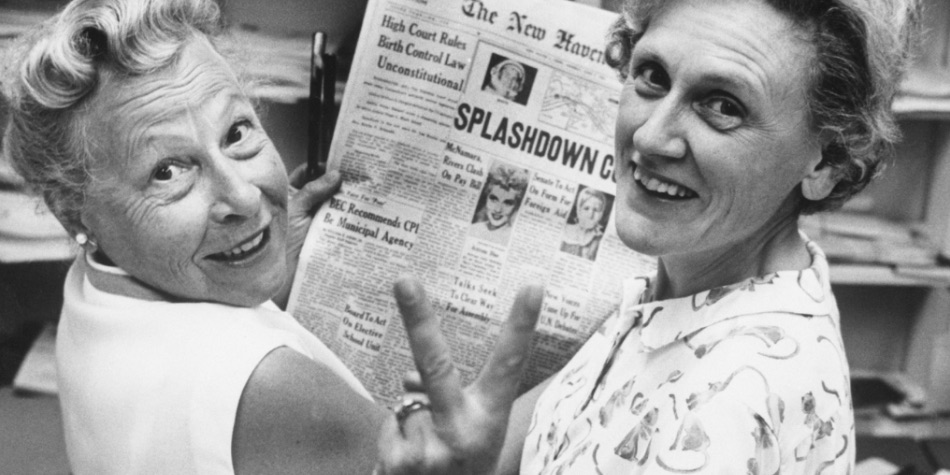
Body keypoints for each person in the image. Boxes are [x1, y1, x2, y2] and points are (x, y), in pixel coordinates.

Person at [376, 0, 921, 473]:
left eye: (724, 106)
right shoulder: (702, 287)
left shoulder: (723, 411)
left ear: (828, 161)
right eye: (653, 76)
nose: (650, 135)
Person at [1, 1, 542, 473]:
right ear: (75, 211)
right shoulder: (272, 385)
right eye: (168, 171)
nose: (244, 196)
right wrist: (612, 344)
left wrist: (269, 273)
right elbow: (470, 464)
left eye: (236, 133)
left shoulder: (96, 284)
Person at [469, 163, 529, 245]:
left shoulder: (513, 239)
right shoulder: (473, 228)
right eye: (493, 199)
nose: (498, 209)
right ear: (487, 197)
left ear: (516, 207)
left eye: (507, 203)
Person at [560, 187, 608, 261]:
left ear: (601, 214)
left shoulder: (600, 239)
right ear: (579, 210)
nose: (590, 215)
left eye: (596, 210)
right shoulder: (564, 229)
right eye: (586, 208)